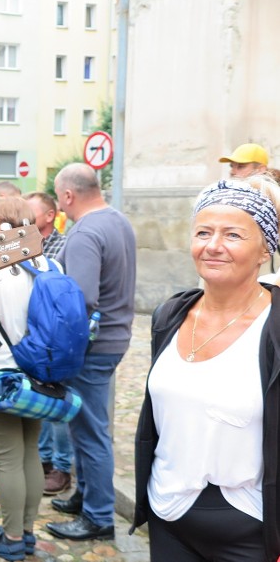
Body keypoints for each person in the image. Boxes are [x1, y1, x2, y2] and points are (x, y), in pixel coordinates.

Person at [132, 175, 280, 561]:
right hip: (168, 512)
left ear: (265, 250)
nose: (213, 246)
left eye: (233, 235)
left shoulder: (275, 325)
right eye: (203, 232)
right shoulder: (171, 313)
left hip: (249, 525)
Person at [46, 163, 136, 541]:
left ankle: (99, 517)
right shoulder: (118, 220)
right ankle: (87, 495)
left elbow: (80, 300)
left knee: (90, 433)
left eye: (60, 199)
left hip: (92, 347)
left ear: (67, 196)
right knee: (86, 429)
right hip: (114, 338)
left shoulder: (85, 232)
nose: (61, 207)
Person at [0, 197, 50, 560]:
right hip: (35, 372)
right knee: (29, 451)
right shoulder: (45, 263)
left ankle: (12, 538)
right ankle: (27, 531)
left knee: (6, 459)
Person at [23, 191, 72, 496]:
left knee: (56, 405)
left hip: (54, 336)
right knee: (41, 404)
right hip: (33, 335)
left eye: (32, 212)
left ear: (49, 215)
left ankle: (61, 466)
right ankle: (42, 460)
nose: (26, 216)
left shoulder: (61, 246)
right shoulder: (24, 243)